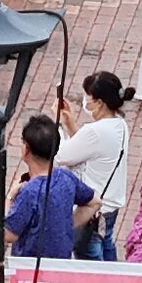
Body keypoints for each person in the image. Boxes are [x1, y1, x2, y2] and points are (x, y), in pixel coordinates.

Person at [56, 72, 132, 262]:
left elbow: (62, 156)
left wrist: (57, 126)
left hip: (93, 210)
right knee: (107, 250)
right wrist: (70, 125)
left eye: (87, 98)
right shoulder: (120, 125)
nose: (85, 102)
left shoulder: (95, 132)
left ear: (99, 102)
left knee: (90, 262)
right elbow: (87, 150)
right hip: (110, 207)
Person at [4, 115, 94, 260]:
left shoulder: (29, 192)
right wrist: (65, 226)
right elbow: (94, 202)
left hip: (29, 270)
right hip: (61, 265)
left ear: (26, 149)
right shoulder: (65, 177)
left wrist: (9, 200)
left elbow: (9, 234)